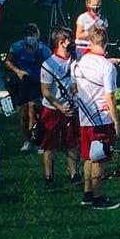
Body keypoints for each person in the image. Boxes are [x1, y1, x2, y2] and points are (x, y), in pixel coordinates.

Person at [71, 26, 120, 209]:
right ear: (106, 42)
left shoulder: (78, 63)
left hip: (84, 118)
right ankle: (99, 198)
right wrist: (115, 120)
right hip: (101, 119)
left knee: (88, 158)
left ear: (90, 42)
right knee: (99, 159)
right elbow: (110, 97)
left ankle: (87, 193)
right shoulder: (107, 67)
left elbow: (74, 88)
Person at [39, 26, 81, 191]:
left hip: (73, 107)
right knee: (50, 144)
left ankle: (74, 174)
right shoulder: (48, 64)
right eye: (69, 40)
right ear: (60, 42)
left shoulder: (76, 60)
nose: (72, 43)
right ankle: (49, 176)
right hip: (53, 109)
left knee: (72, 142)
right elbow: (46, 91)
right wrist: (60, 107)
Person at [5, 23, 52, 153]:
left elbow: (52, 67)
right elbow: (8, 62)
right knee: (22, 113)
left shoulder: (44, 51)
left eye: (32, 35)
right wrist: (18, 71)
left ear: (37, 36)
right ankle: (26, 140)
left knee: (33, 111)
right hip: (21, 82)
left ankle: (34, 139)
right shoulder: (17, 47)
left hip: (36, 82)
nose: (29, 38)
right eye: (27, 35)